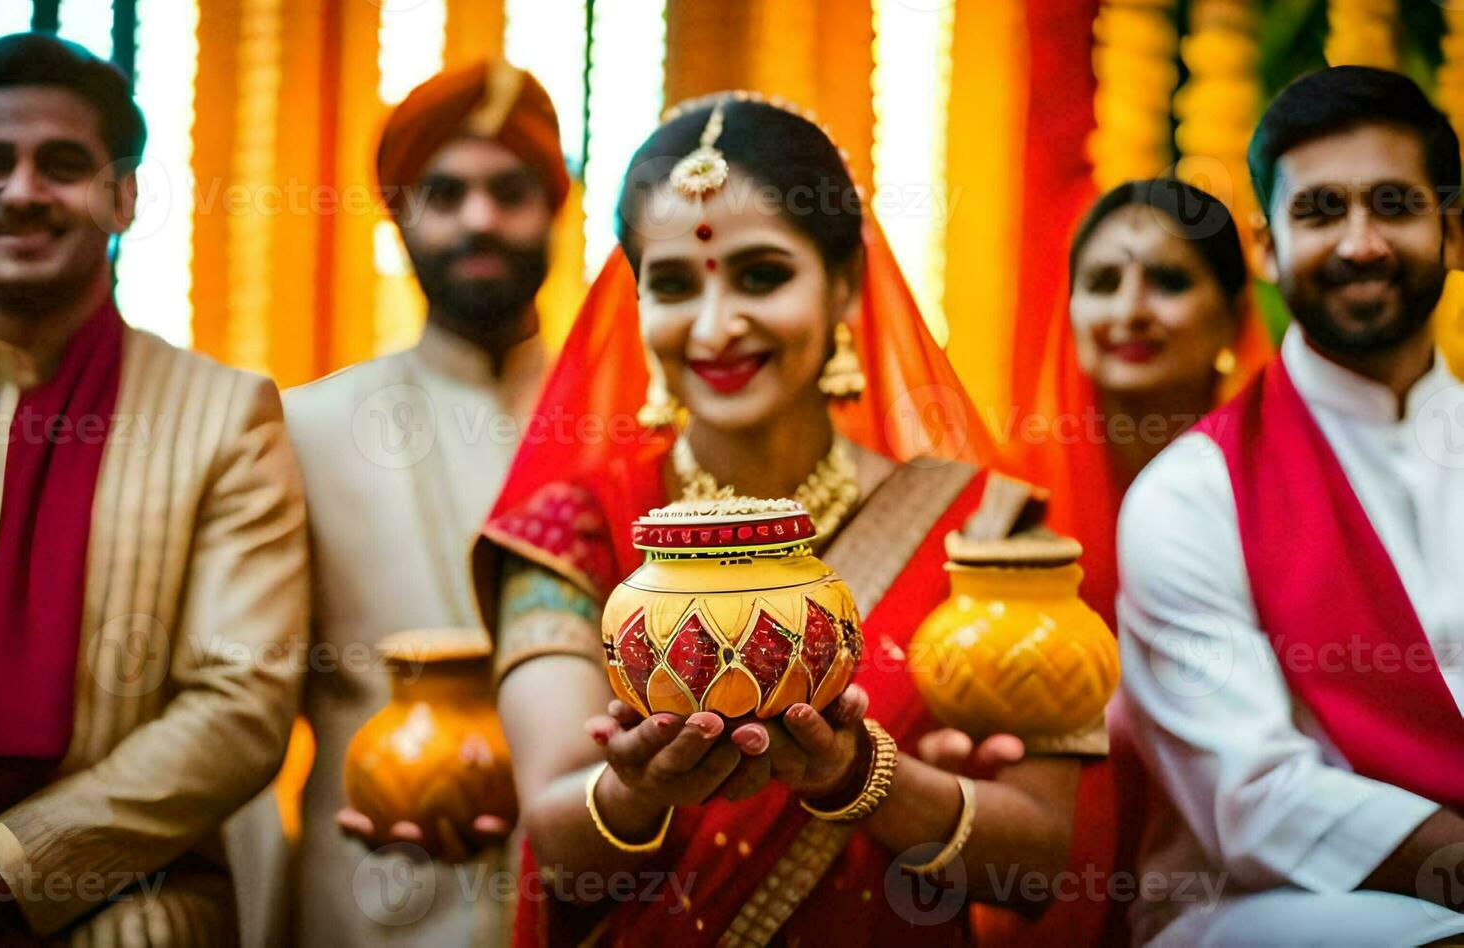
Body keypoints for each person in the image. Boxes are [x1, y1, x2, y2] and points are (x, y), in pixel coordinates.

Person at [476, 93, 1107, 945]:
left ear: (845, 283)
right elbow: (558, 845)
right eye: (670, 284)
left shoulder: (987, 534)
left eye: (762, 274)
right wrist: (642, 787)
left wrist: (859, 776)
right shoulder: (569, 533)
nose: (715, 325)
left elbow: (1035, 860)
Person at [1117, 65, 1464, 945]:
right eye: (1320, 212)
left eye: (1393, 204)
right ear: (1267, 248)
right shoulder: (1191, 496)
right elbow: (1258, 804)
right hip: (1282, 910)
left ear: (1453, 231)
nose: (1361, 243)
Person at [227, 60, 565, 947]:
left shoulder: (636, 425)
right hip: (367, 904)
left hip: (595, 893)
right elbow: (240, 718)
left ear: (556, 205)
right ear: (400, 215)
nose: (479, 219)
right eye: (443, 192)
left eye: (510, 189)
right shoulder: (304, 426)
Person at [0, 33, 308, 944]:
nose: (21, 192)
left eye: (61, 165)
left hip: (131, 895)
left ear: (123, 196)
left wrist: (16, 865)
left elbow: (240, 706)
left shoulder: (225, 413)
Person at [932, 178, 1270, 945]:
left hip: (1247, 871)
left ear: (1231, 311)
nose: (1131, 309)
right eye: (1104, 282)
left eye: (1170, 280)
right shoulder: (1006, 512)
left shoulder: (1280, 498)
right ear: (1070, 309)